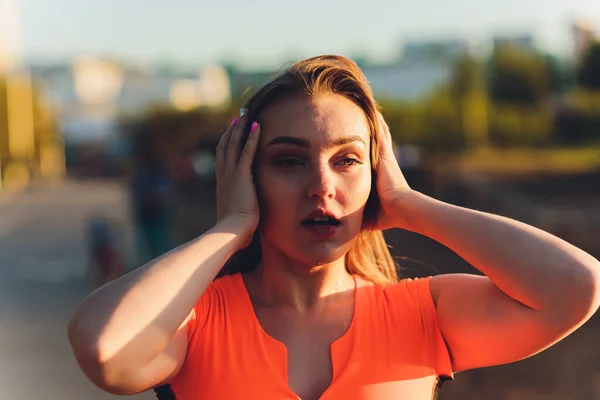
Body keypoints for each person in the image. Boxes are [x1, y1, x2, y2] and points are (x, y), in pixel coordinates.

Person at [67, 55, 600, 400]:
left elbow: (576, 287)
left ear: (376, 173)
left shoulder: (422, 315)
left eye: (346, 160)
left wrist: (408, 204)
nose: (321, 186)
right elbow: (103, 348)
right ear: (246, 177)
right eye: (289, 161)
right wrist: (230, 226)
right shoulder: (194, 320)